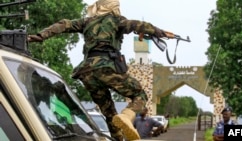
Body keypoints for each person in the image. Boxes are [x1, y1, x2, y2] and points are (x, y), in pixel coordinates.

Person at [28, 0, 167, 140]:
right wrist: (157, 31)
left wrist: (40, 36)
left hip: (87, 72)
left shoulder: (87, 21)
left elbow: (64, 24)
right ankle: (126, 115)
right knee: (139, 94)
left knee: (109, 113)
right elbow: (137, 24)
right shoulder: (117, 20)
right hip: (107, 67)